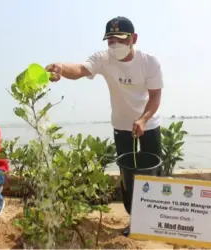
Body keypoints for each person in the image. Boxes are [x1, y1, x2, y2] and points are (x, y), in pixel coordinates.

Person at [45, 16, 163, 236]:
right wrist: (61, 68)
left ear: (133, 38)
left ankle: (155, 221)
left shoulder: (149, 62)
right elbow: (80, 69)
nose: (114, 45)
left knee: (152, 173)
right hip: (121, 126)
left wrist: (143, 119)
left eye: (119, 39)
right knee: (128, 175)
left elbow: (155, 97)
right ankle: (135, 220)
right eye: (110, 41)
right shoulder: (103, 59)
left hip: (149, 124)